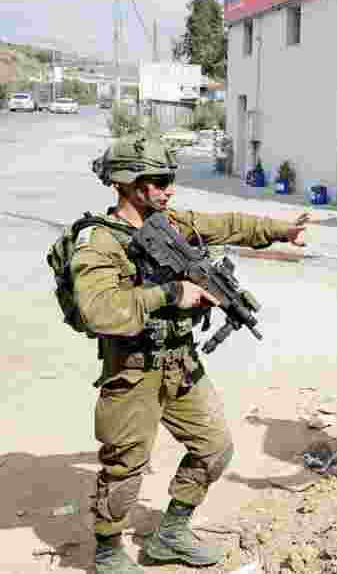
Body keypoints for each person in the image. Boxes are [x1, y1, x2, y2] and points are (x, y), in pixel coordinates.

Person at [74, 134, 310, 573]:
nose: (169, 189)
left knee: (215, 448)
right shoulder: (99, 242)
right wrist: (170, 293)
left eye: (169, 180)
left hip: (180, 363)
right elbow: (98, 311)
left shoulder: (171, 223)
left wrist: (281, 231)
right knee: (125, 468)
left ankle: (171, 534)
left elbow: (228, 224)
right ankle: (108, 553)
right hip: (133, 370)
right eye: (159, 181)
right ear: (128, 183)